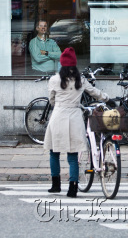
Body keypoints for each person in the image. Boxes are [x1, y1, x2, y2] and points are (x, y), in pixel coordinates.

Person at [43, 47, 110, 197]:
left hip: (58, 116)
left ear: (61, 64)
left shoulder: (54, 80)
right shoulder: (81, 80)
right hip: (74, 117)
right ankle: (73, 188)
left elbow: (51, 100)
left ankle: (56, 185)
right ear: (74, 65)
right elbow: (95, 93)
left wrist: (59, 105)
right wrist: (107, 98)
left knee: (54, 152)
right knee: (73, 156)